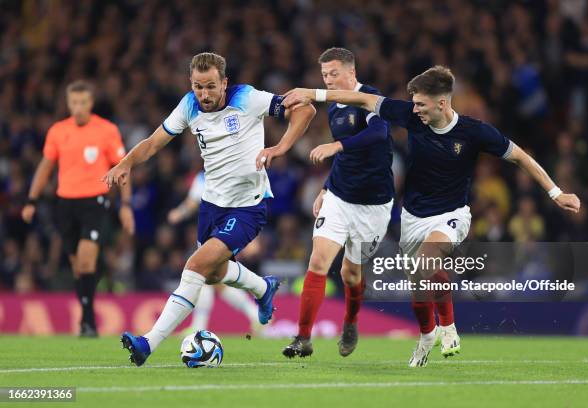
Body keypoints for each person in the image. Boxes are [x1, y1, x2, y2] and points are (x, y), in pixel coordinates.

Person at [283, 65, 580, 367]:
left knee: (429, 261)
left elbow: (520, 157)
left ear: (442, 103)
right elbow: (362, 100)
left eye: (421, 104)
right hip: (413, 218)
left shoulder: (474, 132)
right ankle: (427, 335)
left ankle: (449, 328)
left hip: (452, 215)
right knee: (419, 286)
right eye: (414, 103)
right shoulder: (412, 117)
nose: (416, 109)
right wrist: (314, 94)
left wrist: (556, 193)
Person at [104, 52, 316, 366]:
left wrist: (280, 146)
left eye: (210, 87)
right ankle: (262, 287)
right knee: (214, 274)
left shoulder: (248, 98)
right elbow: (153, 142)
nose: (204, 94)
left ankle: (147, 343)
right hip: (211, 205)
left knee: (194, 268)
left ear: (224, 83)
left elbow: (306, 109)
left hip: (247, 207)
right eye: (198, 86)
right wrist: (126, 163)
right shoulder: (188, 105)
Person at [279, 48, 394, 358]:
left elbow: (380, 132)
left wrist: (337, 144)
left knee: (350, 274)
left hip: (373, 205)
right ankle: (303, 338)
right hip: (340, 197)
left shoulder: (370, 96)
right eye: (324, 75)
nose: (328, 80)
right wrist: (326, 188)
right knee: (317, 262)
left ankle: (351, 322)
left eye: (333, 74)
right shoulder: (334, 108)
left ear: (350, 74)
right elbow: (346, 159)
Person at [21, 80, 135, 337]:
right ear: (68, 103)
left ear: (91, 103)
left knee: (86, 258)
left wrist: (126, 204)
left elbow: (123, 168)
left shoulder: (106, 130)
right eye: (74, 102)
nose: (79, 107)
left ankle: (88, 323)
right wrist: (31, 200)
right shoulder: (58, 131)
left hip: (95, 201)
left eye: (83, 102)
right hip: (65, 204)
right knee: (77, 266)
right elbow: (45, 167)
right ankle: (87, 316)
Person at [168, 171, 262, 336]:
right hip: (219, 232)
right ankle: (256, 315)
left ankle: (200, 325)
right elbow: (193, 202)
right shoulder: (207, 176)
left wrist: (179, 213)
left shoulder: (218, 174)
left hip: (225, 233)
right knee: (212, 279)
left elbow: (192, 204)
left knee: (205, 275)